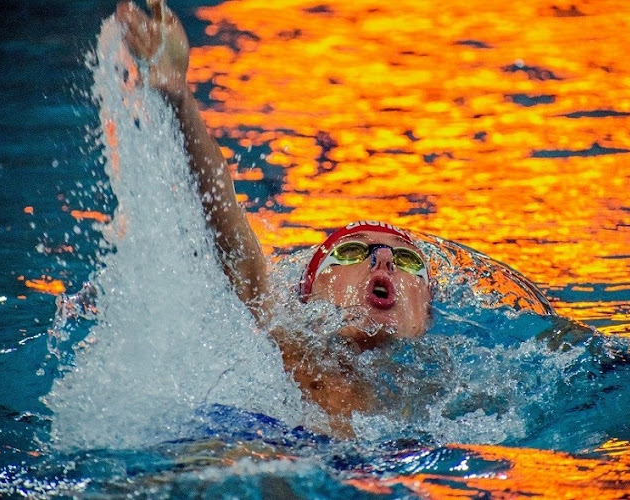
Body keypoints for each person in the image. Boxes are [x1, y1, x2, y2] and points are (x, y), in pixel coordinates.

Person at [115, 1, 448, 435]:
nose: (382, 259)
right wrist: (179, 96)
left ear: (426, 310)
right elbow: (233, 238)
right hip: (266, 451)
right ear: (308, 295)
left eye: (407, 262)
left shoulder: (453, 393)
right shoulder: (290, 341)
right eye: (352, 252)